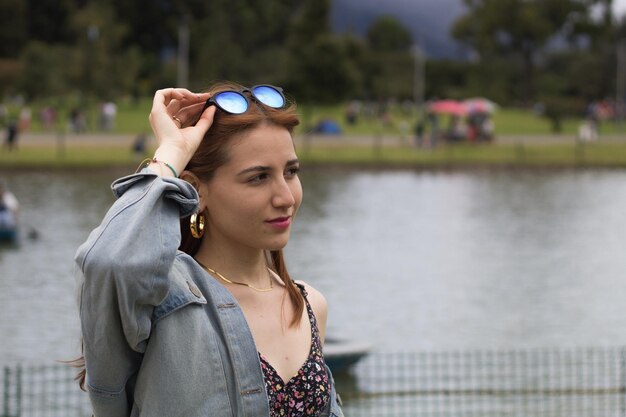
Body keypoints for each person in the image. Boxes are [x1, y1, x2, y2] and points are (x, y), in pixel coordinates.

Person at [74, 82, 344, 417]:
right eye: (258, 178)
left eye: (290, 172)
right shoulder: (164, 301)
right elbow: (109, 262)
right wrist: (170, 156)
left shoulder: (308, 305)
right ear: (197, 191)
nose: (286, 198)